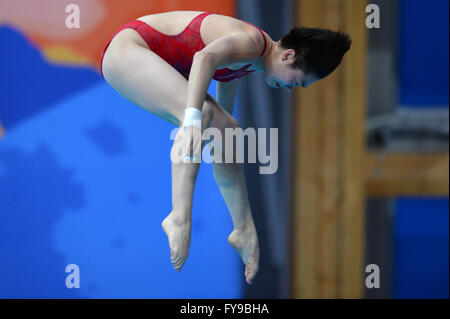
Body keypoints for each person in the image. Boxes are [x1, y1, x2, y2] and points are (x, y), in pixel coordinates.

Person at [100, 10, 351, 285]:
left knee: (228, 131)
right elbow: (203, 58)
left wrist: (214, 134)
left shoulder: (248, 62)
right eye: (296, 82)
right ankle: (179, 218)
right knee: (200, 115)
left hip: (144, 57)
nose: (291, 89)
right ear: (288, 56)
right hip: (127, 50)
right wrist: (193, 120)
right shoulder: (252, 43)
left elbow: (221, 137)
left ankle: (244, 230)